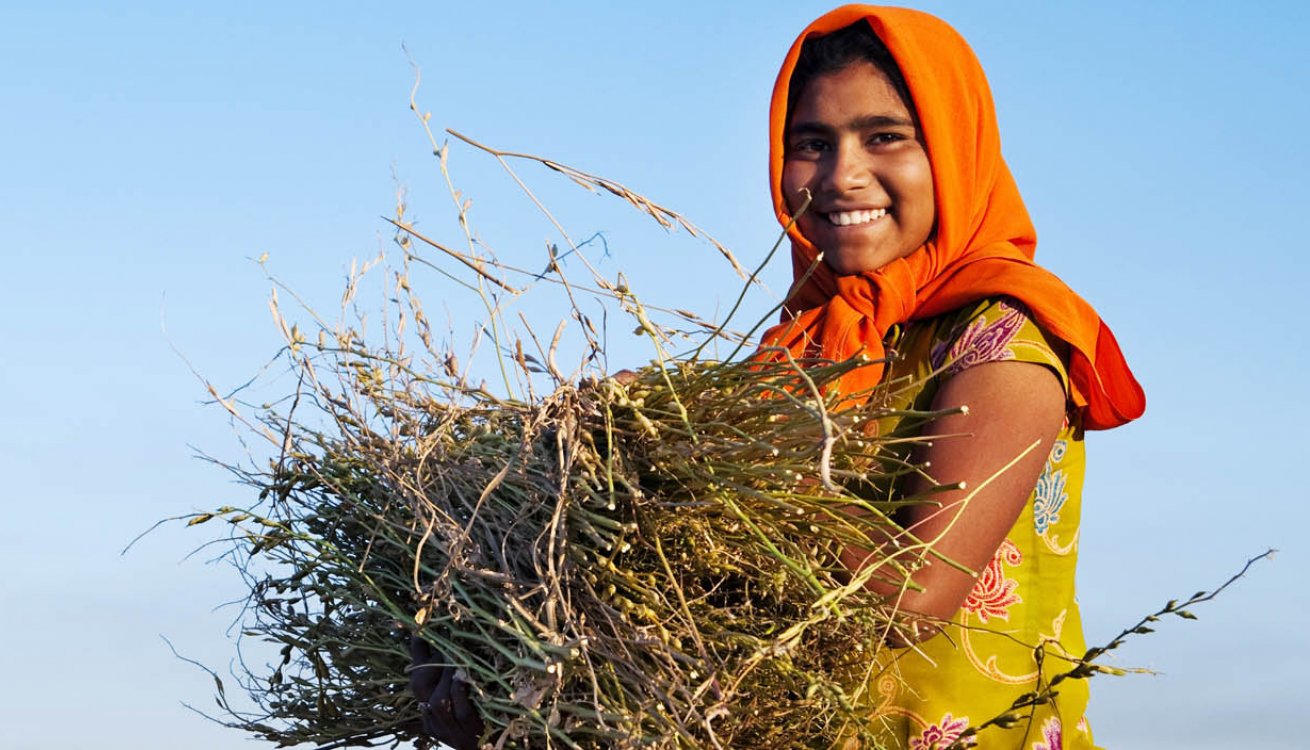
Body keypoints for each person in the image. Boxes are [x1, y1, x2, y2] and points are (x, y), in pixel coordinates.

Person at [414, 5, 1145, 749]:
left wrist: (698, 450)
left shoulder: (1000, 340)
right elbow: (712, 618)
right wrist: (512, 671)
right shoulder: (799, 356)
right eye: (811, 144)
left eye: (885, 136)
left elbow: (914, 594)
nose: (842, 176)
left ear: (956, 149)